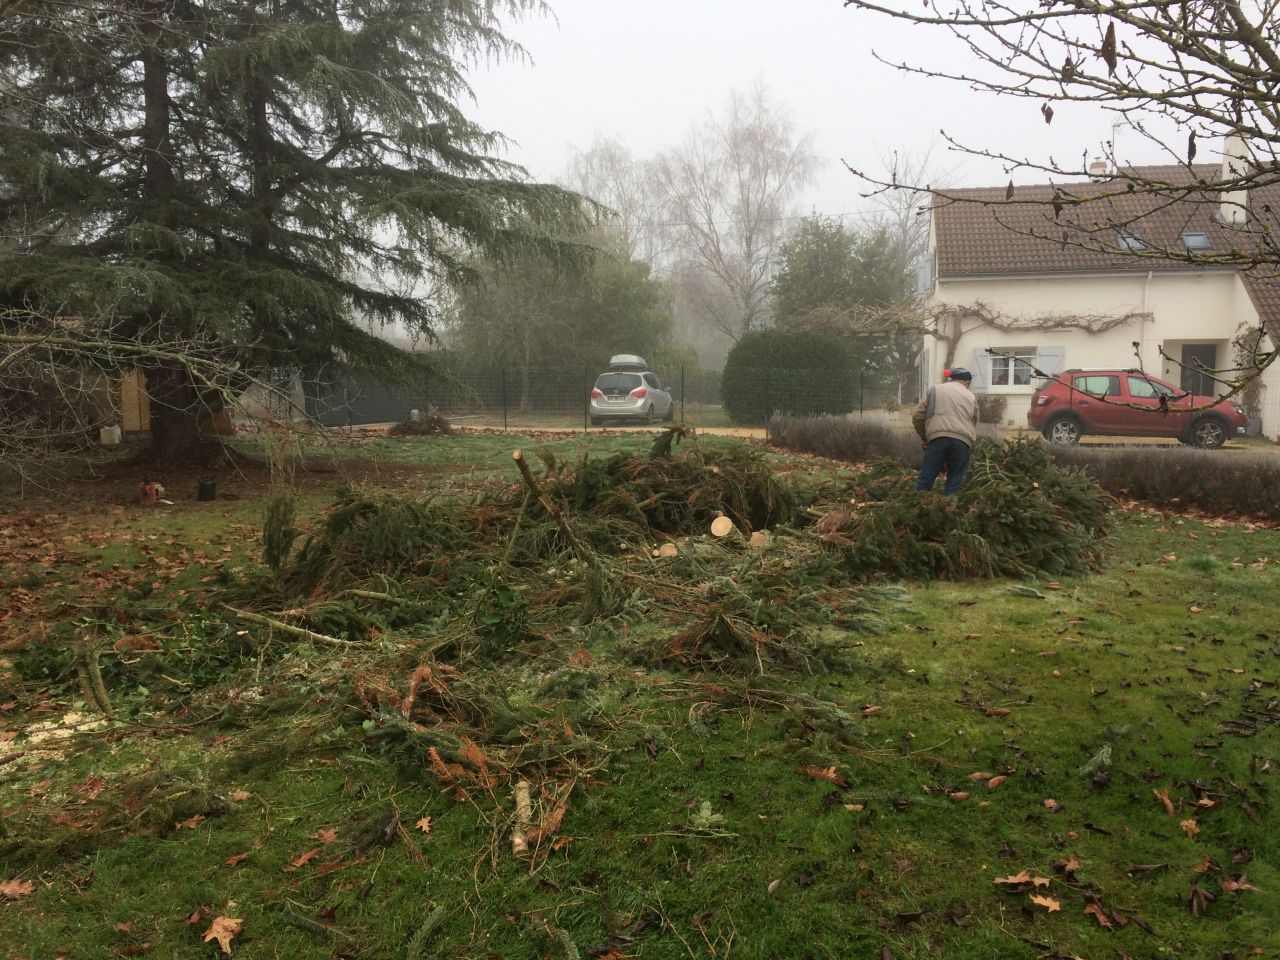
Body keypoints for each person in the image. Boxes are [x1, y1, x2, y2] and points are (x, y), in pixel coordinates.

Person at [912, 367, 979, 495]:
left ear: (951, 379)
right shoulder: (972, 397)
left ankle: (919, 507)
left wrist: (925, 437)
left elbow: (917, 416)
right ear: (968, 382)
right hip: (963, 442)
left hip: (938, 438)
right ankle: (949, 509)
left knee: (926, 478)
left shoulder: (934, 390)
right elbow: (974, 423)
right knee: (954, 480)